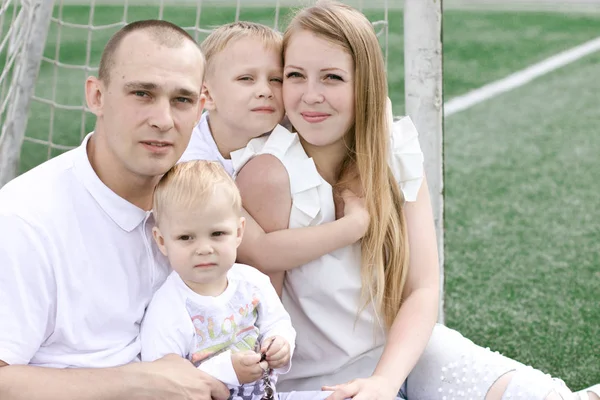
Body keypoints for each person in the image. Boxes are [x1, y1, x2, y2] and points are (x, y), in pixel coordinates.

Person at [231, 2, 600, 400]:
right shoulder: (270, 173)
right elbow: (258, 323)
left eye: (333, 77)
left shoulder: (395, 152)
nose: (310, 95)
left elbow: (422, 288)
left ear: (365, 84)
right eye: (296, 76)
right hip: (311, 383)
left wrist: (386, 381)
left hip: (405, 356)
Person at [0, 20, 231, 400]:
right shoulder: (26, 219)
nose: (163, 120)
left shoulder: (207, 194)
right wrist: (139, 380)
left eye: (182, 100)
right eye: (142, 93)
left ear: (201, 108)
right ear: (96, 96)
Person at [179, 21, 371, 295]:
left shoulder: (281, 125)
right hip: (199, 300)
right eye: (246, 79)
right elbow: (261, 253)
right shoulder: (194, 169)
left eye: (276, 79)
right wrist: (353, 227)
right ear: (207, 95)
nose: (265, 90)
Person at [140, 160, 296, 400]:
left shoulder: (253, 283)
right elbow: (164, 383)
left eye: (217, 234)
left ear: (238, 232)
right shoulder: (169, 308)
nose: (204, 248)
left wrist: (280, 343)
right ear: (162, 241)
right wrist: (227, 371)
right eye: (186, 237)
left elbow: (278, 322)